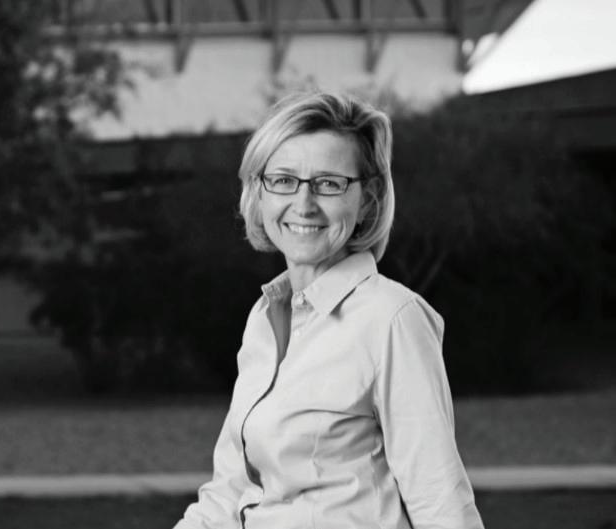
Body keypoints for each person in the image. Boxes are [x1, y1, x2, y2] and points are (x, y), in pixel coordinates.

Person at [173, 91, 484, 529]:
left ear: (367, 199)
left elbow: (441, 503)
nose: (304, 204)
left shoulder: (392, 319)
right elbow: (229, 494)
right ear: (258, 192)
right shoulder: (264, 319)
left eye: (329, 183)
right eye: (283, 180)